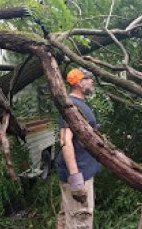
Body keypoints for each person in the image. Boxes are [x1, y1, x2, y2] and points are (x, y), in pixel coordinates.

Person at [56, 68, 100, 229]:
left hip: (82, 169)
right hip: (78, 173)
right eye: (89, 78)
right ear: (80, 84)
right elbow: (65, 141)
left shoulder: (78, 104)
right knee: (80, 219)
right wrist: (76, 180)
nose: (92, 82)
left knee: (66, 215)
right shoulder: (71, 105)